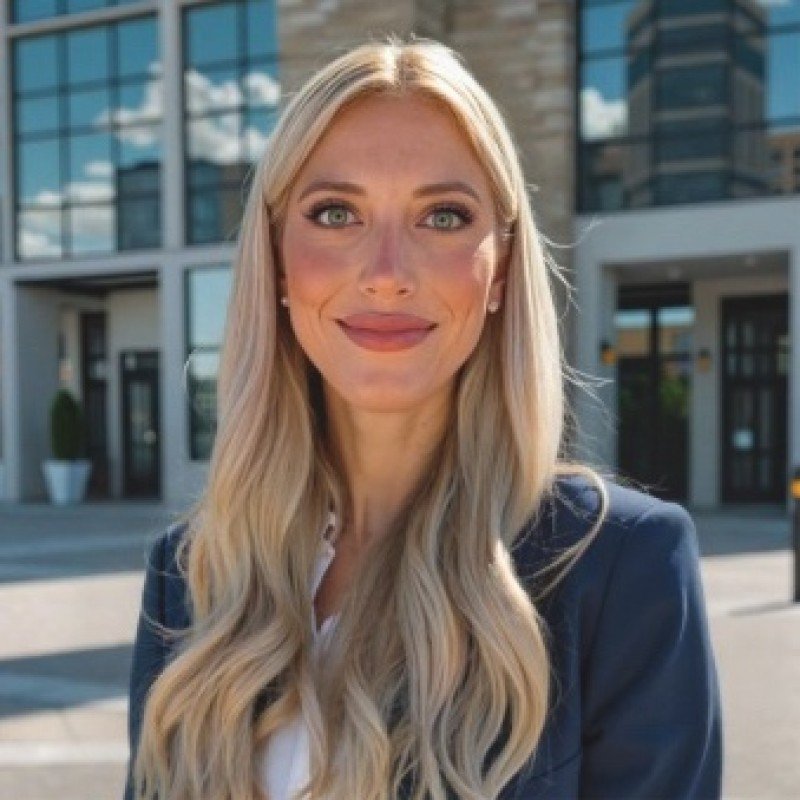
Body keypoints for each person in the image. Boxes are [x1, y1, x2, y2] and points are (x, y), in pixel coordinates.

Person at [125, 36, 722, 800]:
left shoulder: (620, 567)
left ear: (500, 268)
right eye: (335, 213)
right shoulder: (191, 571)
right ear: (275, 260)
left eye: (443, 216)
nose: (386, 275)